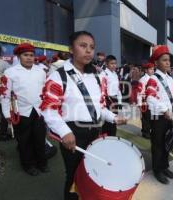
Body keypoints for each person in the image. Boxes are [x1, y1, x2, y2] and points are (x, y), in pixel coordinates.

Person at [40, 31, 127, 200]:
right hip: (73, 133)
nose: (88, 51)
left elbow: (100, 107)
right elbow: (49, 109)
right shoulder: (58, 76)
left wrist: (113, 117)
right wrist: (64, 132)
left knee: (93, 173)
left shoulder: (96, 76)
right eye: (83, 46)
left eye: (92, 47)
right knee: (74, 175)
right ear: (71, 49)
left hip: (95, 131)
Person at [0, 43, 48, 176]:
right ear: (19, 56)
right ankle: (28, 165)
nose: (29, 58)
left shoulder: (41, 72)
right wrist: (6, 113)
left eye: (31, 55)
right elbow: (4, 94)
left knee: (39, 138)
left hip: (38, 110)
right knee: (24, 140)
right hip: (21, 111)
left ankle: (42, 163)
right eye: (25, 55)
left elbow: (45, 91)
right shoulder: (10, 72)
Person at [145, 45, 173, 184]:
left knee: (167, 143)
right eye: (164, 60)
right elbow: (150, 98)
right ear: (157, 63)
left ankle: (164, 166)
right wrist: (164, 109)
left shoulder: (170, 79)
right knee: (158, 144)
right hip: (158, 117)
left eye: (169, 60)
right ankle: (157, 170)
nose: (168, 63)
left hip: (169, 116)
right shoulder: (153, 79)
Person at [100, 55, 122, 136]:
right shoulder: (103, 74)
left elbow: (118, 89)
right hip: (107, 99)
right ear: (106, 64)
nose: (114, 65)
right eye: (111, 63)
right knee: (107, 121)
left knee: (114, 119)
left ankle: (112, 136)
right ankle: (105, 137)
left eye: (115, 63)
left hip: (115, 98)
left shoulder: (115, 74)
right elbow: (102, 89)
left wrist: (119, 101)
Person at [0, 44, 11, 141]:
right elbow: (9, 78)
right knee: (4, 112)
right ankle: (3, 134)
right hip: (0, 91)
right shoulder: (4, 63)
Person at [137, 62, 154, 139]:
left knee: (150, 117)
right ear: (146, 70)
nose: (152, 70)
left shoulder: (153, 78)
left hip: (152, 101)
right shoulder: (143, 79)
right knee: (145, 118)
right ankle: (145, 132)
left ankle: (148, 131)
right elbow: (139, 92)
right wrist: (139, 104)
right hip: (144, 101)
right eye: (150, 69)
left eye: (153, 69)